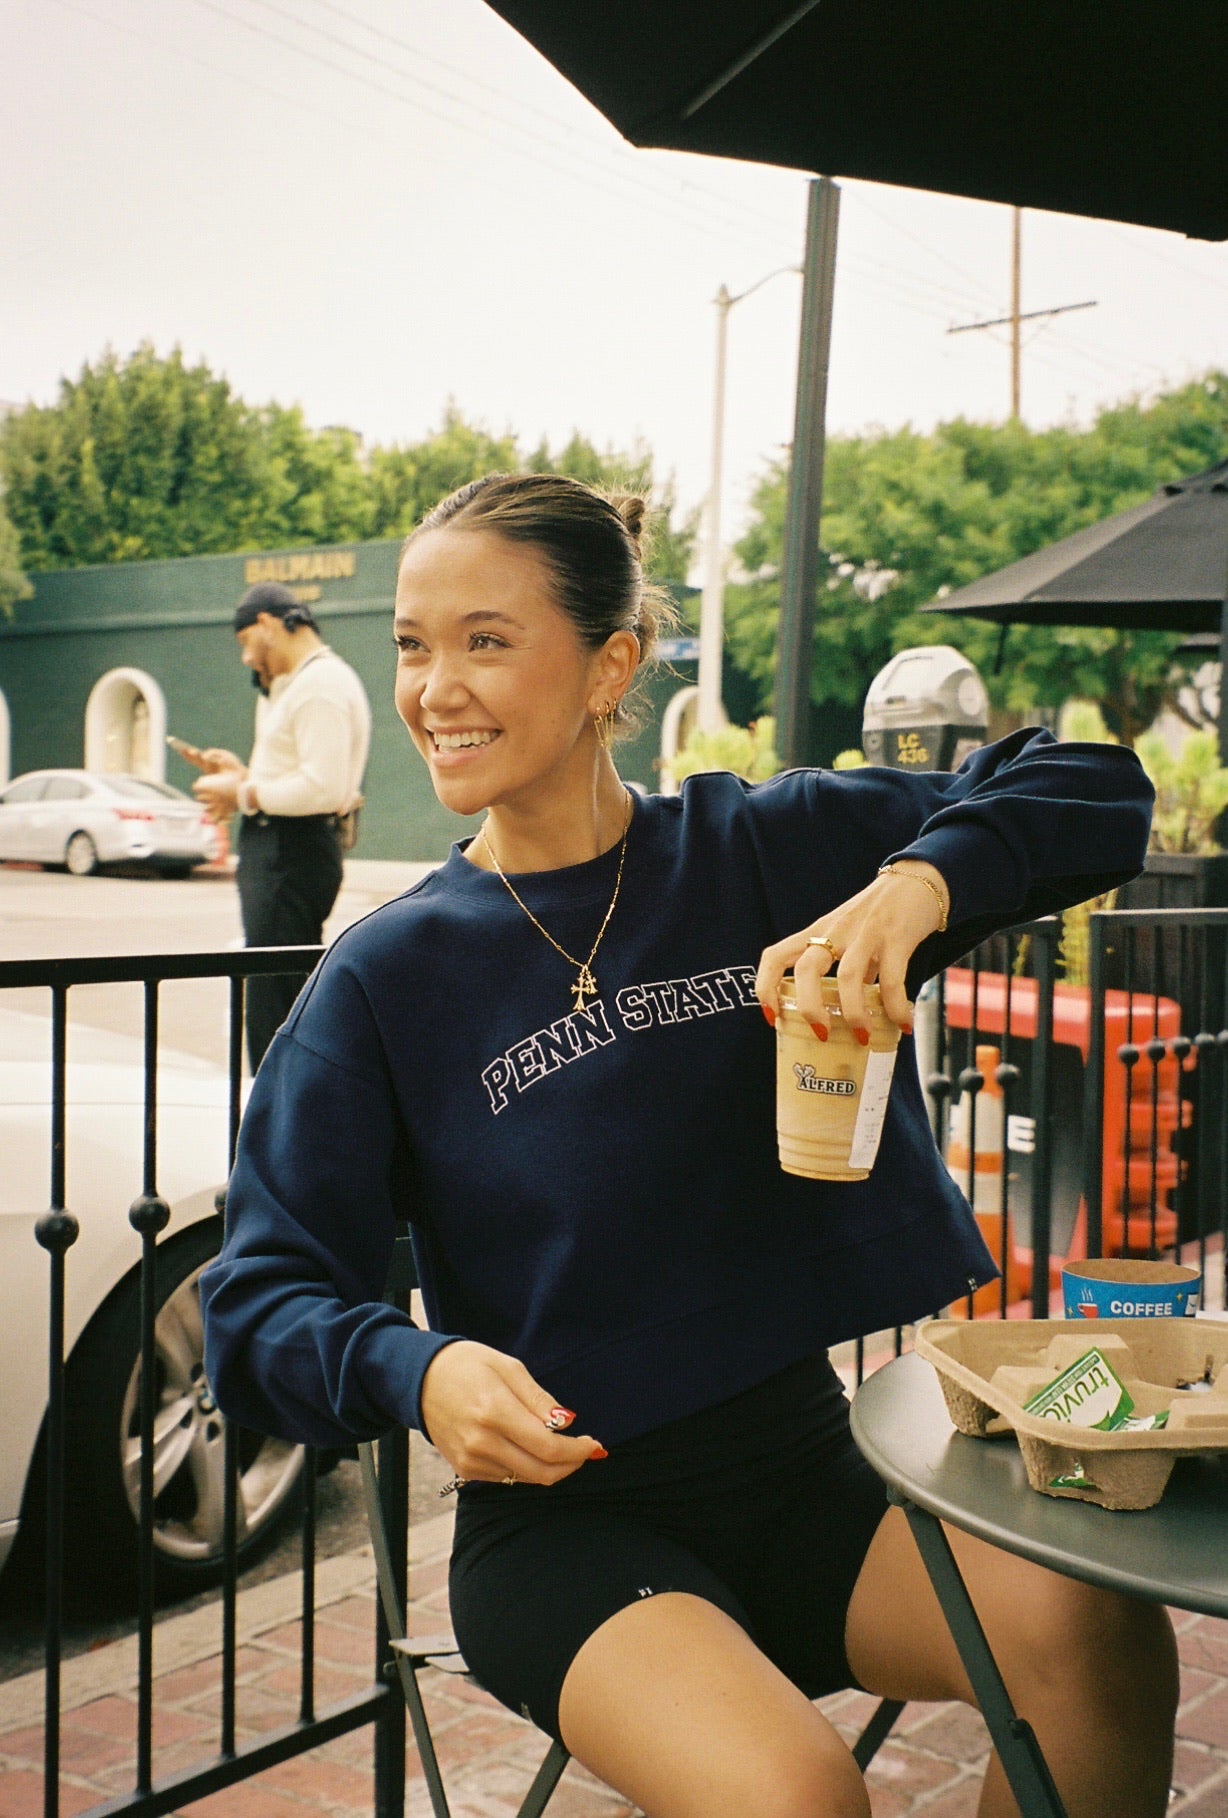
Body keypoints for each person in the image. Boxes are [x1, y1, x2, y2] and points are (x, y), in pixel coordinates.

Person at [201, 474, 1175, 1818]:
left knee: (1102, 1640)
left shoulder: (757, 850)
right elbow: (253, 1308)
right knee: (799, 1795)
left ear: (612, 664)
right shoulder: (383, 976)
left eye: (486, 639)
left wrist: (919, 881)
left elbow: (1091, 786)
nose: (435, 688)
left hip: (808, 1483)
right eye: (415, 645)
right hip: (569, 1527)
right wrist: (412, 1368)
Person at [191, 581, 371, 1071]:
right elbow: (304, 780)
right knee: (277, 987)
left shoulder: (319, 687)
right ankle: (281, 1110)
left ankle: (276, 1113)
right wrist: (243, 778)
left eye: (245, 641)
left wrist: (240, 793)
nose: (246, 658)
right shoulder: (303, 685)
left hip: (291, 853)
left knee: (275, 996)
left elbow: (322, 788)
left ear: (268, 625)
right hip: (288, 850)